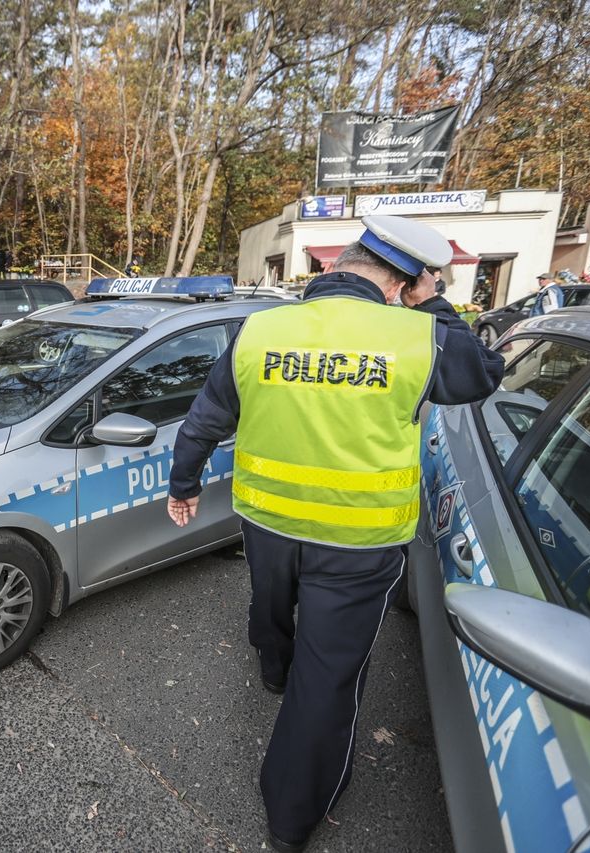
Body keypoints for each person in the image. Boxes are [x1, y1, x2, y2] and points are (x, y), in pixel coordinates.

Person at [166, 215, 503, 852]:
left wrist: (184, 486)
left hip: (267, 521)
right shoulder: (420, 335)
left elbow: (204, 419)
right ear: (407, 281)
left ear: (333, 267)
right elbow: (482, 374)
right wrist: (436, 304)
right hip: (359, 541)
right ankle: (291, 815)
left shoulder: (259, 328)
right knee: (329, 675)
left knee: (270, 605)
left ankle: (272, 664)